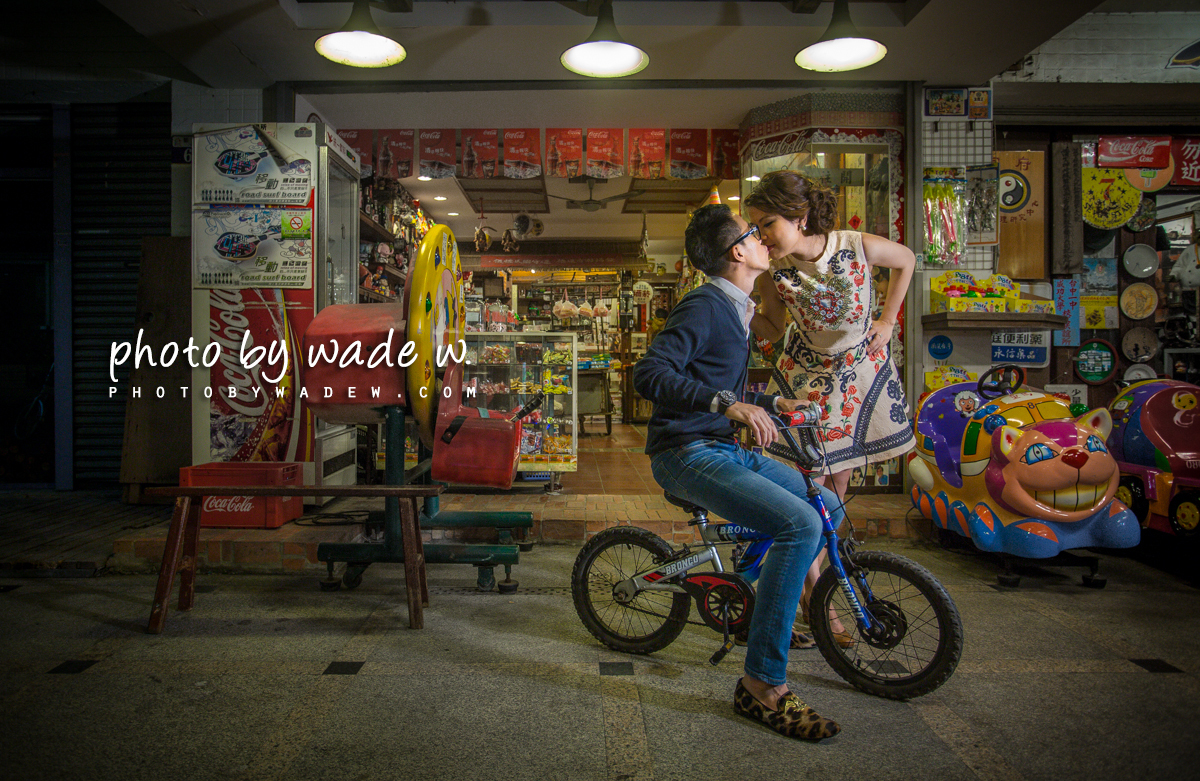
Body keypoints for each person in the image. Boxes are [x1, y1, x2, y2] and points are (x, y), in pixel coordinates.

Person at [633, 203, 843, 742]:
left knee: (826, 505)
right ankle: (762, 684)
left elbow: (722, 384)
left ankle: (762, 606)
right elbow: (649, 373)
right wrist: (727, 403)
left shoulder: (735, 307)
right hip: (686, 453)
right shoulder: (705, 305)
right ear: (737, 252)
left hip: (723, 447)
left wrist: (772, 403)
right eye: (753, 233)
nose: (763, 239)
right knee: (800, 525)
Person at [744, 170, 916, 640]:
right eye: (756, 227)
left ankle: (810, 591)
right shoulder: (773, 269)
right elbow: (774, 328)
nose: (761, 235)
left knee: (835, 496)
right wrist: (742, 305)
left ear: (799, 217)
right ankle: (820, 599)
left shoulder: (854, 244)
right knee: (808, 493)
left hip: (856, 377)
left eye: (767, 224)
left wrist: (888, 319)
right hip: (806, 381)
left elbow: (907, 259)